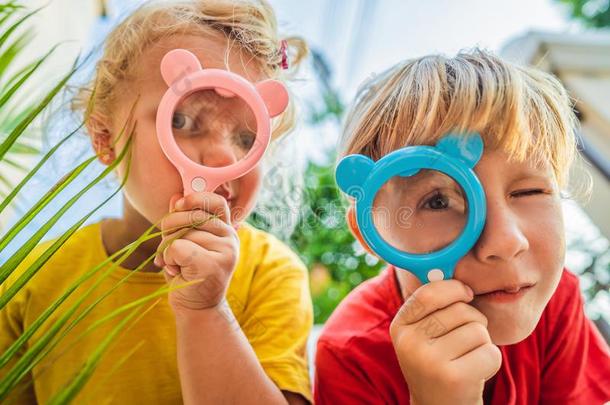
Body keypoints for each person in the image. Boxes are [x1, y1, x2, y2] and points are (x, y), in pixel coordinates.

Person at [0, 1, 313, 403]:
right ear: (104, 136)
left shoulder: (272, 274)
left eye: (247, 138)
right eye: (182, 120)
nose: (224, 159)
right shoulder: (29, 282)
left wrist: (205, 312)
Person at [314, 49, 610, 404]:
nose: (505, 241)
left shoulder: (554, 299)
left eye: (530, 190)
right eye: (437, 202)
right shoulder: (351, 354)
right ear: (371, 235)